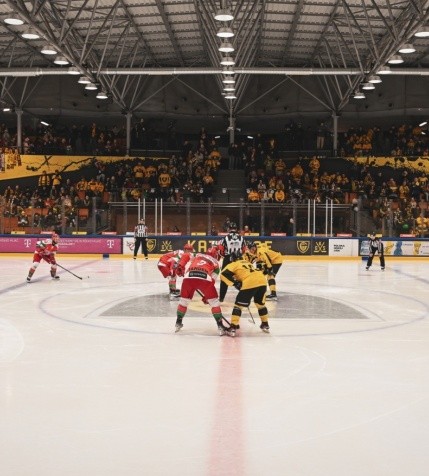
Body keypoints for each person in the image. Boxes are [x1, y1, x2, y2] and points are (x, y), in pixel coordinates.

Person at [174, 246, 229, 335]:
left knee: (184, 301)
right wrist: (207, 295)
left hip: (189, 277)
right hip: (205, 278)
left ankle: (178, 322)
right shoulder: (217, 264)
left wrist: (181, 265)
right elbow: (212, 281)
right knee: (214, 302)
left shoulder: (198, 255)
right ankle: (220, 325)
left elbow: (186, 255)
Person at [220, 250, 270, 337]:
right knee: (260, 304)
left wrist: (235, 283)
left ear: (232, 259)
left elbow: (223, 274)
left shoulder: (233, 264)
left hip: (250, 282)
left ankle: (233, 326)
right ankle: (265, 324)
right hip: (262, 281)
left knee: (238, 306)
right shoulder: (247, 263)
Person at [218, 222, 247, 302]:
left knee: (224, 278)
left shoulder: (225, 238)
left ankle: (221, 298)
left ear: (229, 229)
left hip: (227, 259)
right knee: (241, 278)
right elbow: (244, 250)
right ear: (236, 229)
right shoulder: (242, 238)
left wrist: (226, 257)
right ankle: (244, 297)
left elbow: (221, 251)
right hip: (238, 259)